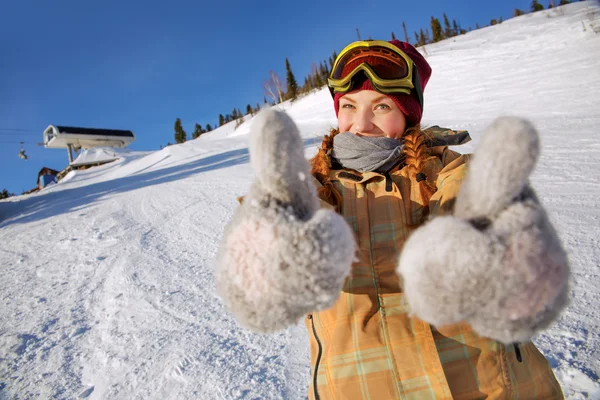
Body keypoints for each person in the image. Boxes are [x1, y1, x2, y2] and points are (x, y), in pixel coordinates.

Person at [215, 39, 570, 399]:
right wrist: (274, 252)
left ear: (407, 113)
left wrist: (506, 256)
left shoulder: (452, 173)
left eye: (381, 106)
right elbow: (260, 288)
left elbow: (491, 225)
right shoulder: (309, 191)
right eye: (349, 106)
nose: (361, 124)